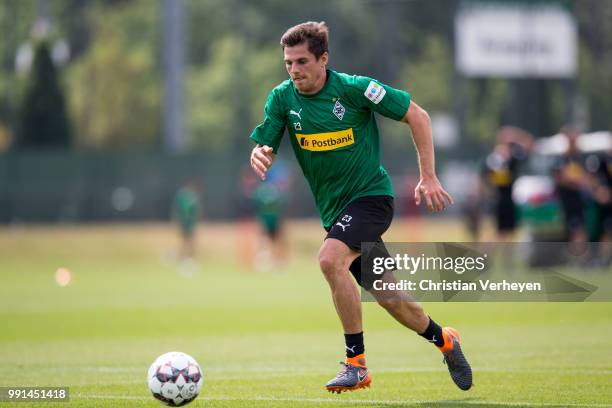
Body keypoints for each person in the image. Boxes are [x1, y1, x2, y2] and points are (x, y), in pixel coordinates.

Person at [248, 22, 472, 393]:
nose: (294, 69)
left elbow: (418, 115)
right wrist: (261, 152)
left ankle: (356, 364)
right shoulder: (282, 98)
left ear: (324, 59)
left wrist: (428, 176)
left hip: (372, 199)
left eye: (302, 61)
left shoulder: (354, 89)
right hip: (336, 212)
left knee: (328, 259)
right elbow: (266, 142)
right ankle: (446, 340)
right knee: (393, 300)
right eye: (288, 62)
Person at [481, 126, 533, 241]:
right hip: (498, 199)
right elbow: (487, 177)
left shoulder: (513, 156)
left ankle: (504, 257)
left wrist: (518, 136)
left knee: (510, 232)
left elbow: (529, 146)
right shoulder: (494, 158)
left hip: (509, 198)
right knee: (498, 233)